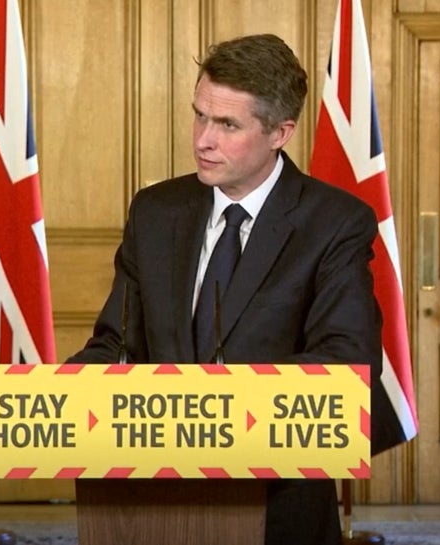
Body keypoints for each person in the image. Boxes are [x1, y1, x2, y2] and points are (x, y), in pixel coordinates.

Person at [67, 33, 383, 545]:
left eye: (227, 125)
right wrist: (57, 397)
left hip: (278, 506)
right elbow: (119, 344)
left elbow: (348, 366)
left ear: (280, 132)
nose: (202, 140)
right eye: (199, 116)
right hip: (152, 502)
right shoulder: (155, 212)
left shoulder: (334, 223)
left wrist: (216, 413)